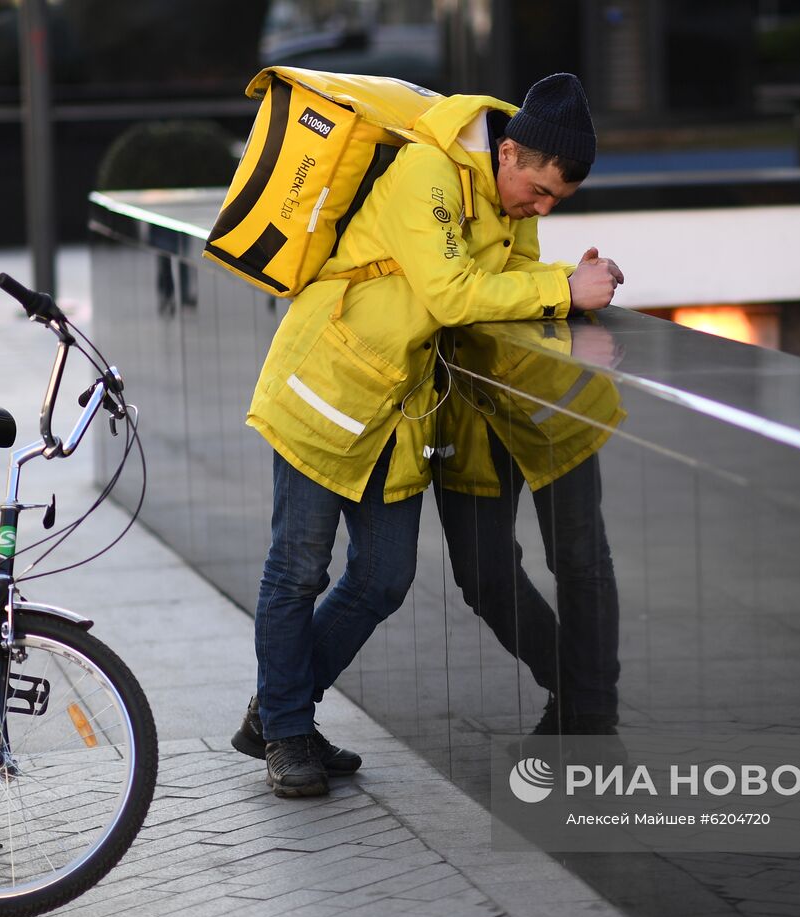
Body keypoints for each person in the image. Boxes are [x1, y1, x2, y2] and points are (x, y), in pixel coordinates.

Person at [233, 73, 626, 798]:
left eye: (554, 204)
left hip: (400, 403)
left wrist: (572, 276)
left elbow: (508, 275)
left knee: (384, 577)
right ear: (508, 152)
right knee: (297, 568)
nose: (538, 208)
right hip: (329, 388)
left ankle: (275, 710)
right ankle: (288, 731)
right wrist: (564, 291)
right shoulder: (429, 171)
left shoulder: (508, 196)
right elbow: (451, 293)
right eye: (537, 193)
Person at [433, 318, 625, 739]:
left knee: (580, 559)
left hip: (544, 392)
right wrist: (565, 284)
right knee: (483, 574)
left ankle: (591, 716)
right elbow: (450, 289)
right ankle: (575, 694)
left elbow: (510, 261)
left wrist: (569, 286)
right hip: (463, 410)